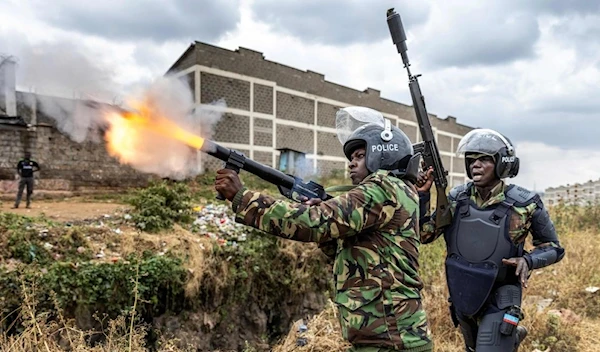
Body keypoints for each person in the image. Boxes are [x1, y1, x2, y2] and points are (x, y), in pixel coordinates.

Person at [215, 112, 433, 352]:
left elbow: (313, 223)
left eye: (361, 155)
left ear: (384, 155)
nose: (352, 162)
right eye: (351, 157)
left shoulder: (383, 188)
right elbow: (352, 255)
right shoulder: (393, 193)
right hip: (385, 335)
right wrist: (326, 231)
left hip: (392, 338)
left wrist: (243, 198)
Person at [417, 128, 565, 352]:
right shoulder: (457, 199)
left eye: (484, 159)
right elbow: (425, 235)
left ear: (502, 163)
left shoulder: (525, 204)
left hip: (501, 294)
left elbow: (553, 247)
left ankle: (508, 338)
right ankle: (511, 340)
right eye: (472, 160)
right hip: (464, 292)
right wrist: (423, 195)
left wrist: (528, 261)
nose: (476, 165)